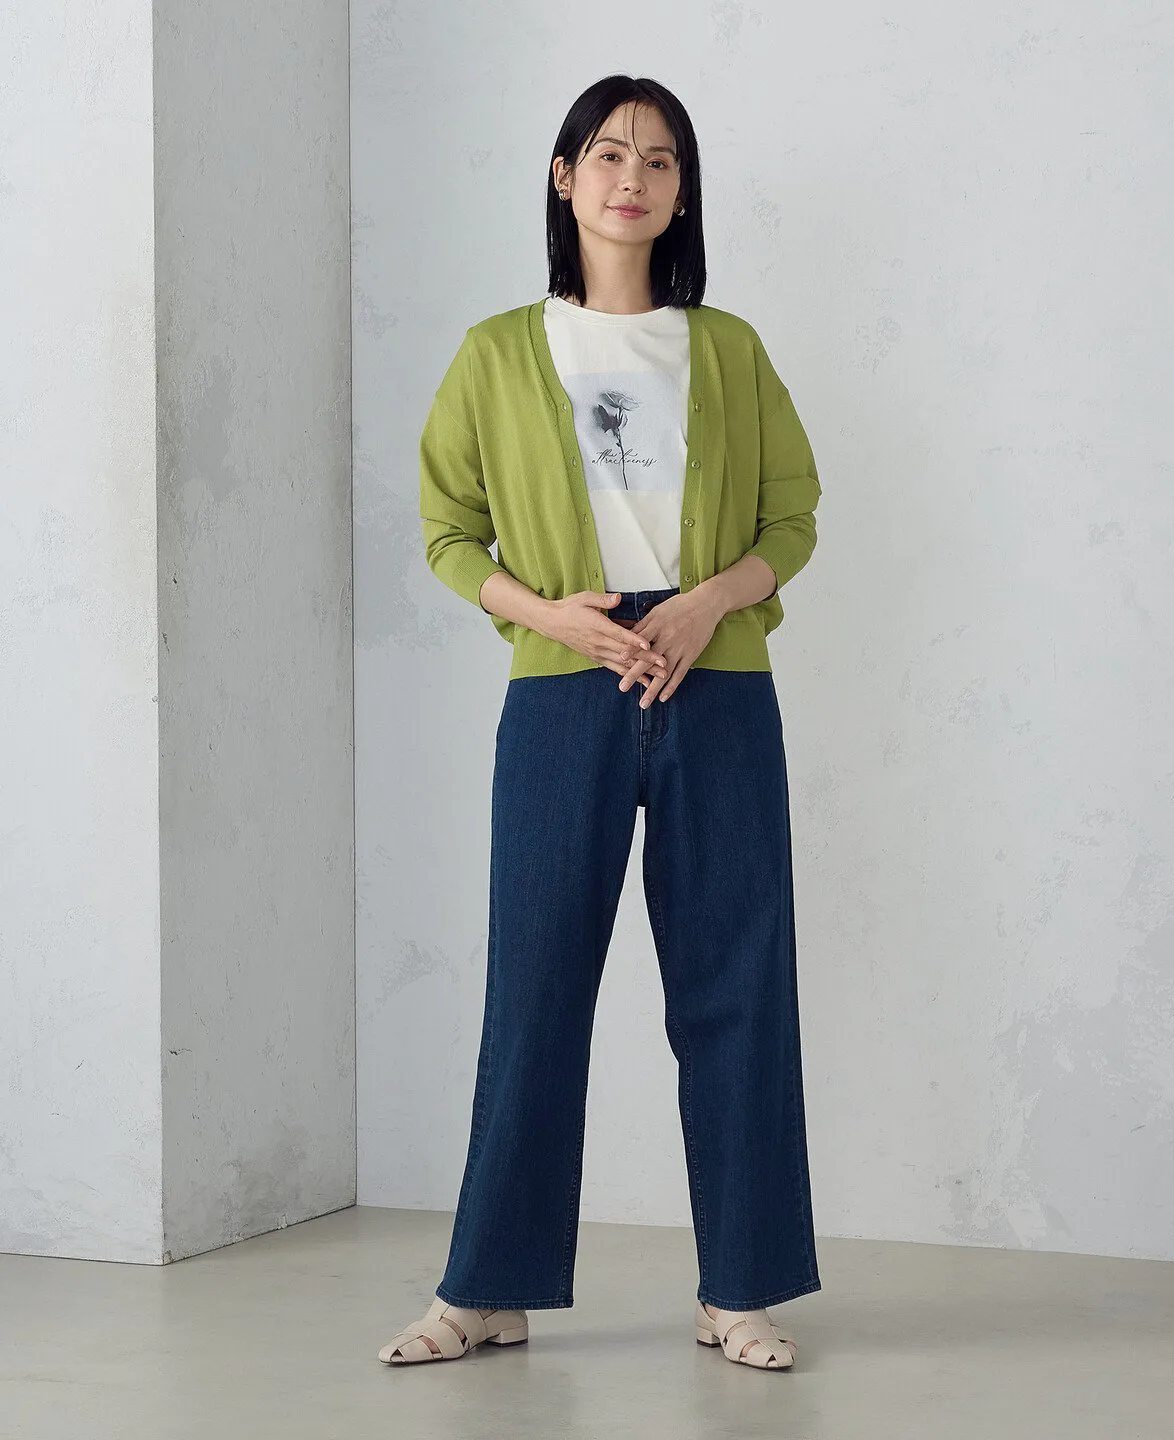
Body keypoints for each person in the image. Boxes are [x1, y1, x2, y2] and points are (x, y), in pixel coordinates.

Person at [378, 73, 823, 1374]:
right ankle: (488, 1288)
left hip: (714, 683)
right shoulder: (496, 352)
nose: (636, 177)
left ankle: (741, 1287)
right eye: (612, 154)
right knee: (535, 986)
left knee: (737, 985)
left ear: (683, 194)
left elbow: (791, 518)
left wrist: (706, 605)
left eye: (663, 160)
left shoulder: (726, 349)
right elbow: (449, 532)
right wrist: (549, 617)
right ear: (566, 177)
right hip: (561, 686)